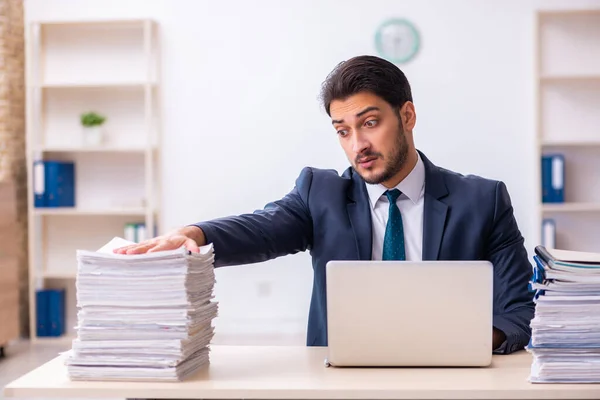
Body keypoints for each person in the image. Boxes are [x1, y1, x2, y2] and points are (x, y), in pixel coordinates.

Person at [115, 55, 535, 354]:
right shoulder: (322, 193)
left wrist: (467, 341)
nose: (358, 145)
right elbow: (263, 227)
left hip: (450, 381)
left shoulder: (483, 201)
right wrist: (196, 234)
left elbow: (518, 312)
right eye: (343, 131)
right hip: (340, 382)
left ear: (407, 116)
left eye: (370, 123)